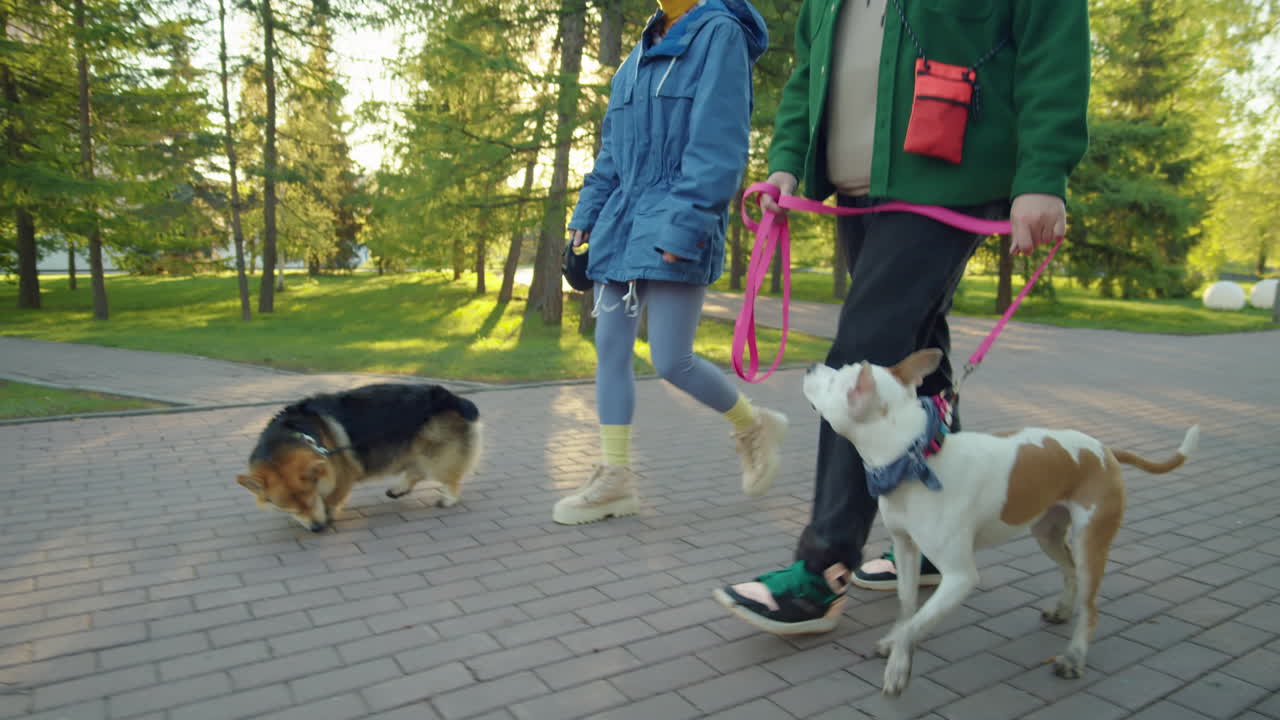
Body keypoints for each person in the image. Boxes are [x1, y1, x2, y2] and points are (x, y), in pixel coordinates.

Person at [714, 0, 1090, 633]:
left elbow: (1051, 41)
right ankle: (938, 540)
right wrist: (787, 163)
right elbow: (812, 72)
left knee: (861, 356)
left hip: (946, 186)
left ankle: (822, 569)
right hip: (860, 192)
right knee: (920, 355)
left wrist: (1043, 174)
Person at [552, 0, 785, 525]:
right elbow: (611, 155)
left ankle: (753, 425)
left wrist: (688, 225)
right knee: (609, 348)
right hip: (620, 224)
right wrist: (581, 223)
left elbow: (719, 145)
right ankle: (615, 478)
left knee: (670, 360)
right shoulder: (638, 53)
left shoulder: (719, 33)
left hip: (678, 218)